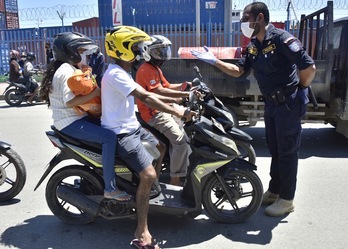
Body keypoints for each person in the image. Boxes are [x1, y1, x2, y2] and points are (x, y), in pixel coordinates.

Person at [191, 1, 316, 217]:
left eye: (245, 18)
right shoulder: (253, 45)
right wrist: (215, 61)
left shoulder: (281, 39)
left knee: (287, 151)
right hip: (271, 104)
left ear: (259, 18)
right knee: (275, 149)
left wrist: (300, 89)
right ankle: (275, 190)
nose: (243, 23)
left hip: (287, 103)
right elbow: (239, 70)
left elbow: (309, 67)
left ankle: (287, 199)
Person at [102, 25, 195, 249]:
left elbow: (157, 90)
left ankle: (148, 188)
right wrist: (178, 110)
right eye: (136, 46)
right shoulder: (116, 73)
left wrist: (181, 96)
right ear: (123, 49)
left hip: (132, 125)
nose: (141, 50)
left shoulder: (123, 71)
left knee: (161, 147)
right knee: (148, 174)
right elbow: (146, 95)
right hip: (121, 132)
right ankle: (141, 231)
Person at [39, 31, 132, 202]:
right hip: (70, 122)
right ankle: (110, 188)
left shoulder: (67, 68)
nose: (83, 55)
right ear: (70, 52)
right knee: (109, 137)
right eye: (81, 51)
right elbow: (70, 102)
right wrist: (97, 91)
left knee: (110, 125)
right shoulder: (66, 71)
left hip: (75, 118)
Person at [136, 35, 191, 186]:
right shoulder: (145, 69)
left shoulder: (155, 68)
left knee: (187, 128)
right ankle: (176, 178)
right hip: (153, 114)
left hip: (160, 110)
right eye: (159, 51)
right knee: (180, 141)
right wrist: (183, 94)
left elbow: (166, 86)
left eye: (163, 50)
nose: (162, 53)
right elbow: (159, 91)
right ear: (148, 52)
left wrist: (185, 85)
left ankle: (181, 165)